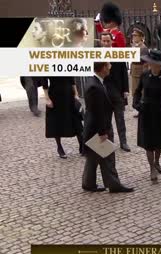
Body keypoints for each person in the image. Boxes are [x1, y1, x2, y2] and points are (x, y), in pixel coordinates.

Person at [82, 62, 134, 193]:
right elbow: (97, 112)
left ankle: (88, 183)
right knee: (108, 157)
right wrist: (102, 132)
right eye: (108, 65)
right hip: (99, 129)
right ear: (103, 68)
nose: (110, 67)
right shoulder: (95, 87)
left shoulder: (96, 82)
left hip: (93, 129)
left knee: (93, 157)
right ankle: (114, 185)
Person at [133, 50, 161, 181]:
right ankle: (152, 167)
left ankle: (157, 162)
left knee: (159, 140)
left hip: (159, 111)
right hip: (145, 111)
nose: (153, 66)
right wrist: (136, 104)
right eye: (152, 63)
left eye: (157, 64)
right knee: (148, 141)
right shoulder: (144, 75)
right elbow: (137, 91)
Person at [100, 32, 131, 152]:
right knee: (106, 120)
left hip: (118, 92)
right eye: (104, 41)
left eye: (108, 41)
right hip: (104, 92)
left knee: (120, 119)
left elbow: (124, 71)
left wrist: (126, 90)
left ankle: (123, 142)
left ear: (111, 41)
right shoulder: (97, 55)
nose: (106, 43)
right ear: (101, 41)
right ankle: (109, 142)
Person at [41, 77, 84, 158]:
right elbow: (44, 81)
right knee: (56, 121)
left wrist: (76, 93)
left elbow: (71, 79)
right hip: (55, 96)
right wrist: (47, 98)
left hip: (69, 94)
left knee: (76, 119)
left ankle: (82, 145)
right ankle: (59, 147)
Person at [129, 27, 149, 118]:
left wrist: (144, 75)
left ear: (141, 37)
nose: (133, 37)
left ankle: (143, 110)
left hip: (139, 72)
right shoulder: (135, 46)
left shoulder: (143, 48)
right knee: (134, 92)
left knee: (140, 92)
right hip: (134, 71)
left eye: (136, 36)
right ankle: (140, 109)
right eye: (133, 36)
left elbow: (145, 63)